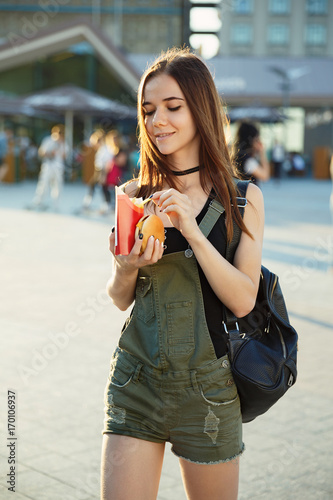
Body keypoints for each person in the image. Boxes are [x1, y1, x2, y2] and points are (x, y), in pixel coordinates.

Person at [101, 47, 265, 500]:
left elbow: (243, 299)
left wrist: (193, 232)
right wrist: (126, 266)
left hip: (209, 394)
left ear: (201, 108)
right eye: (149, 110)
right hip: (136, 381)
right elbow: (119, 297)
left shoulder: (241, 200)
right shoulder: (134, 194)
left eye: (173, 107)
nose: (158, 121)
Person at [30, 124, 68, 210]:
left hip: (58, 167)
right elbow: (41, 153)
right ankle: (38, 201)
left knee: (58, 185)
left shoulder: (63, 143)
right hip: (48, 165)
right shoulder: (48, 141)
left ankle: (56, 204)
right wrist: (51, 153)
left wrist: (61, 147)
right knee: (43, 184)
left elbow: (65, 155)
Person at [234, 121, 270, 185]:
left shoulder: (237, 156)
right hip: (249, 193)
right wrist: (262, 153)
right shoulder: (248, 161)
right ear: (252, 140)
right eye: (257, 139)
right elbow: (265, 176)